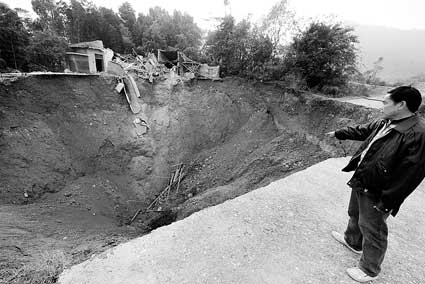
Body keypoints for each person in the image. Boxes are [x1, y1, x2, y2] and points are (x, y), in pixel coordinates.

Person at [325, 86, 425, 282]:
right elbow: (364, 130)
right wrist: (340, 133)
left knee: (373, 228)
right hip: (364, 177)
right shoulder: (388, 121)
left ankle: (369, 269)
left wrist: (387, 201)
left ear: (401, 105)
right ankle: (353, 241)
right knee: (355, 213)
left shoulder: (417, 134)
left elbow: (410, 175)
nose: (382, 104)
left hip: (380, 190)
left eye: (386, 102)